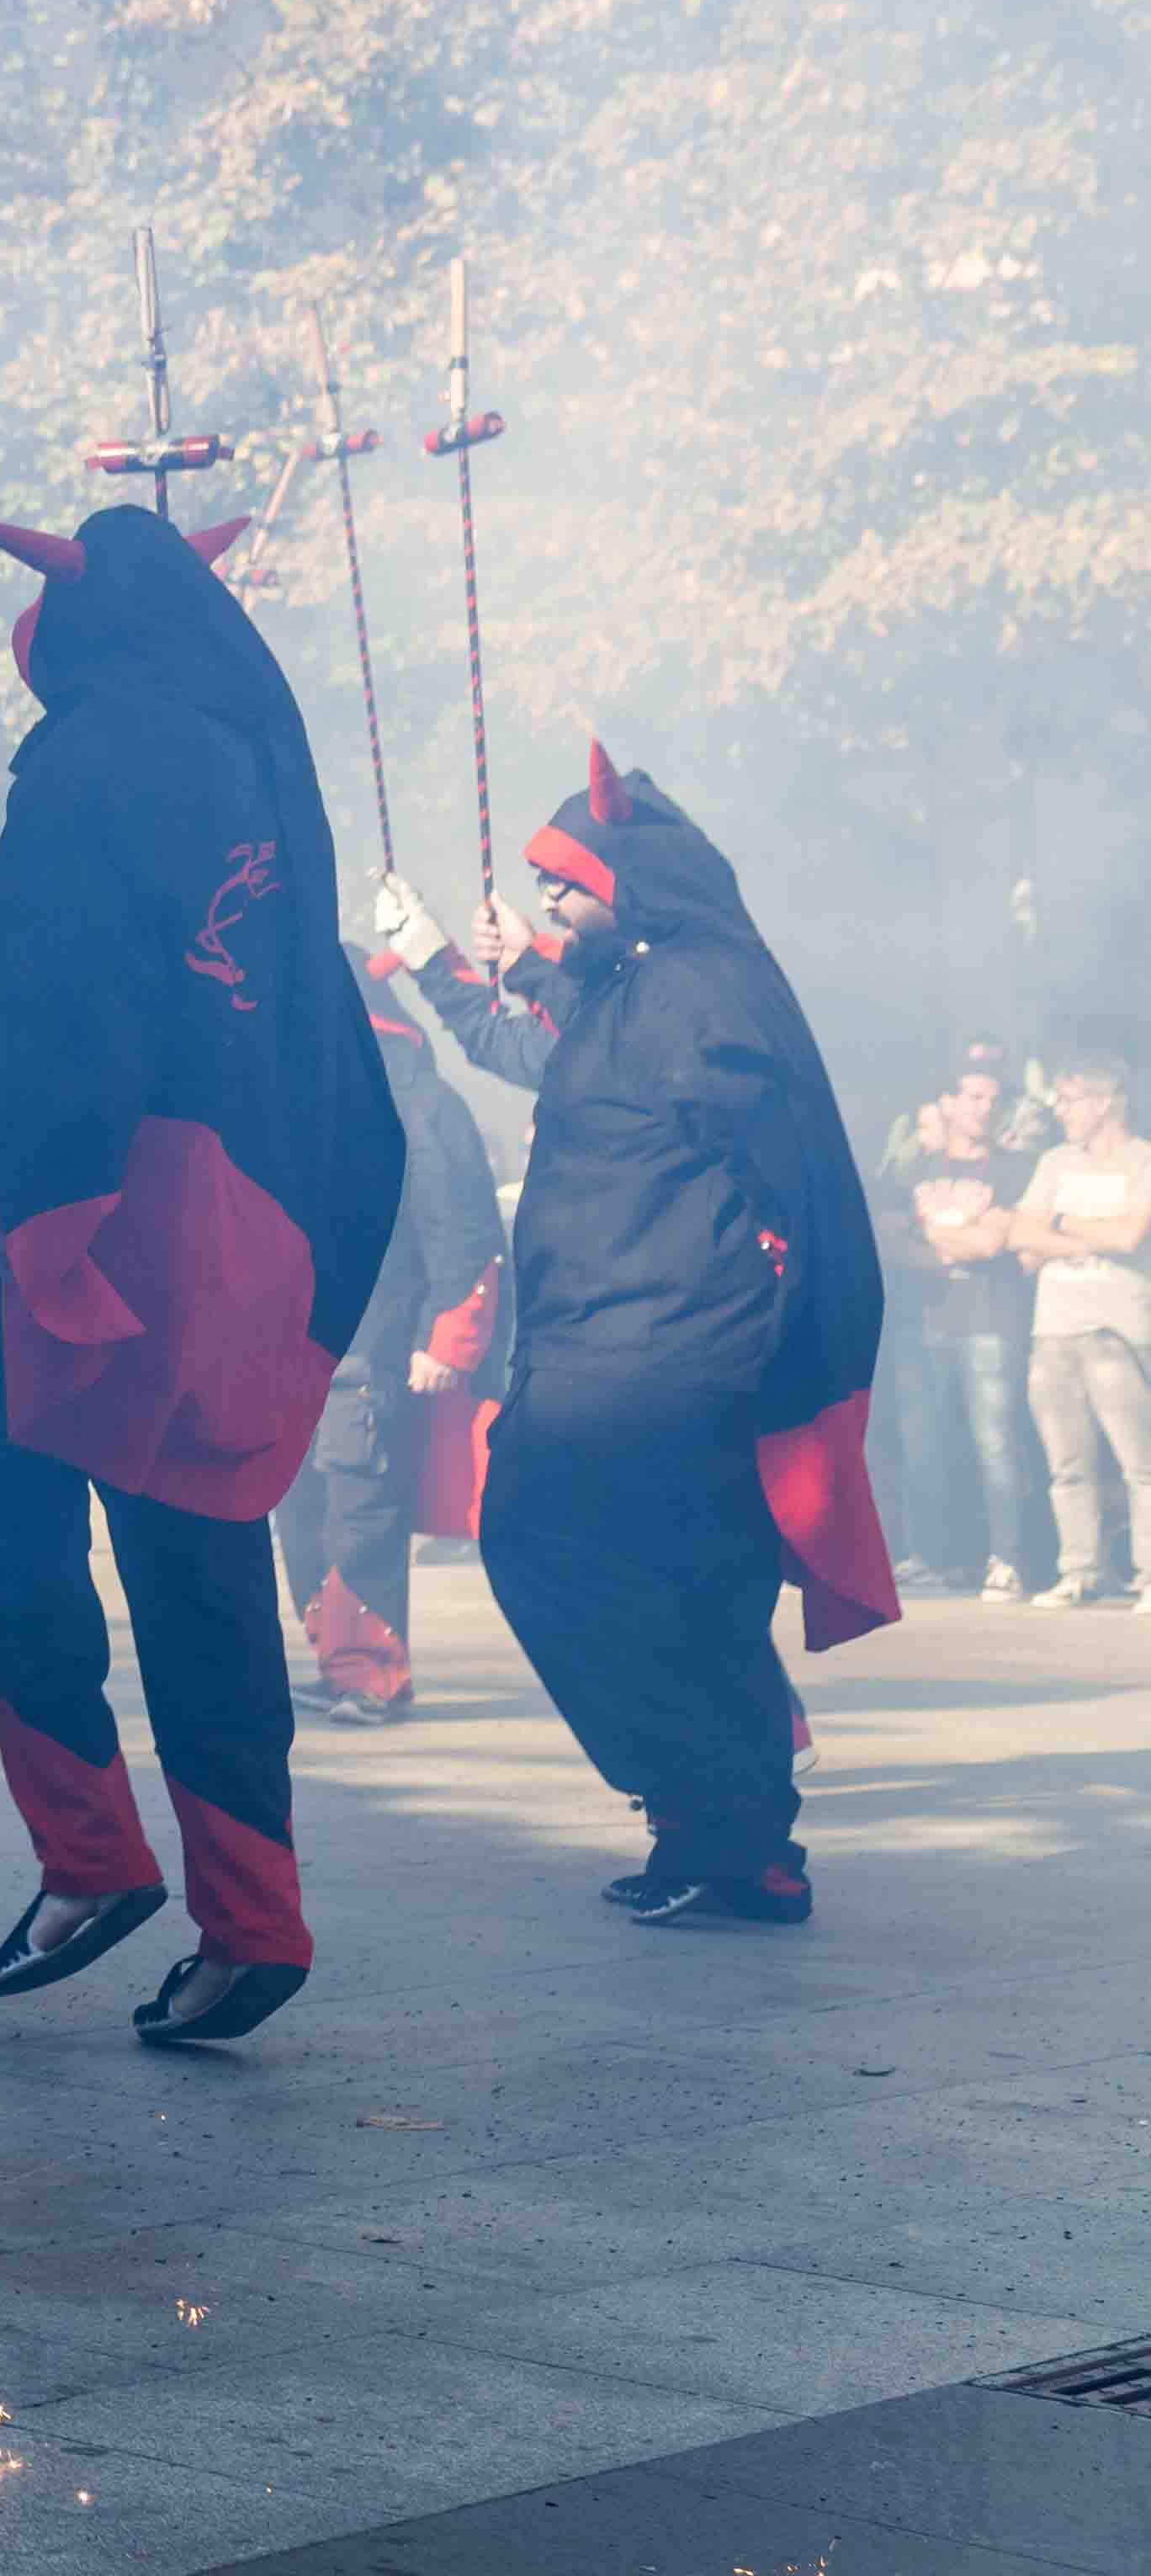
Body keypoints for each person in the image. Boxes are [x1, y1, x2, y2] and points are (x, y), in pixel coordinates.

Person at [0, 509, 402, 2046]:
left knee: (8, 1527)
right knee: (202, 1579)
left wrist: (32, 1208)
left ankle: (86, 1856)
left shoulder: (95, 756)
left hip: (83, 1215)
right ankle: (252, 1923)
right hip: (237, 1234)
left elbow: (40, 990)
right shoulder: (264, 770)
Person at [395, 742, 892, 1930]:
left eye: (565, 886)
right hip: (630, 1347)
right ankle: (726, 1840)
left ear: (633, 885)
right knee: (689, 1594)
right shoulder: (659, 984)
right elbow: (584, 1042)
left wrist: (761, 1302)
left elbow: (746, 1130)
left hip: (664, 1355)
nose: (550, 907)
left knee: (547, 1542)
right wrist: (456, 964)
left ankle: (722, 1820)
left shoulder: (696, 991)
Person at [273, 954, 506, 1724]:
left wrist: (449, 1334)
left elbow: (463, 1228)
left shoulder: (423, 1105)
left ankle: (374, 1675)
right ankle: (340, 1661)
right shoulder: (295, 1104)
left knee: (360, 1504)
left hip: (372, 1343)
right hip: (293, 1346)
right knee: (299, 1506)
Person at [874, 1051, 1040, 1596]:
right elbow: (891, 1240)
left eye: (992, 1100)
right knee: (922, 1442)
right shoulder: (911, 1171)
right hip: (922, 1320)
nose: (984, 1109)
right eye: (973, 1097)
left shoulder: (1012, 1169)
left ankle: (1006, 1558)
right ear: (947, 1103)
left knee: (994, 1442)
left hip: (989, 1320)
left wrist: (931, 1244)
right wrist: (950, 1249)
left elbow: (996, 1239)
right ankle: (929, 1555)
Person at [1006, 1059, 1151, 1611]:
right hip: (1054, 1330)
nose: (1059, 1112)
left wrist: (1058, 1230)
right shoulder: (1054, 1161)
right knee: (1066, 1465)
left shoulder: (1143, 1160)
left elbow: (1131, 1232)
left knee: (1141, 1462)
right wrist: (1085, 1236)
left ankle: (1149, 1574)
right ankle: (1080, 1570)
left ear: (1104, 1102)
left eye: (1068, 1101)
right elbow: (1021, 1231)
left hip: (1117, 1329)